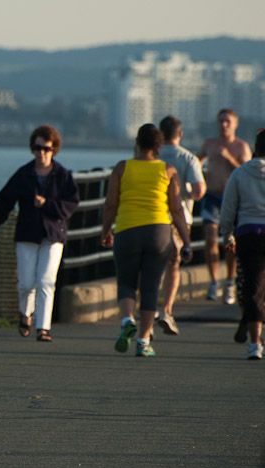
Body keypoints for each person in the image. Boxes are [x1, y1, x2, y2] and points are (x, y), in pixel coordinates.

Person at [101, 123, 192, 357]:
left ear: (137, 143)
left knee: (126, 282)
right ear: (158, 145)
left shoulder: (122, 168)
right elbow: (177, 210)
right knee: (151, 287)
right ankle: (143, 341)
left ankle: (127, 320)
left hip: (128, 230)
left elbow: (111, 204)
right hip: (159, 232)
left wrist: (105, 231)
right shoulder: (169, 170)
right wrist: (186, 241)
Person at [0, 125, 79, 342]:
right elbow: (5, 199)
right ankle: (25, 314)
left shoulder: (62, 175)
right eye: (38, 148)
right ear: (32, 149)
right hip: (27, 233)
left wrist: (47, 204)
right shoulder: (24, 174)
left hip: (53, 235)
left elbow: (71, 204)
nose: (42, 153)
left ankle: (43, 327)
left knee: (46, 280)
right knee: (26, 282)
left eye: (47, 149)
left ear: (54, 149)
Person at [156, 115, 206, 335]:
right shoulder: (188, 158)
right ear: (180, 133)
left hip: (153, 217)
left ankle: (147, 309)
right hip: (180, 218)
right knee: (173, 266)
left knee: (150, 267)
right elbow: (199, 191)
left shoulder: (151, 155)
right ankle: (166, 310)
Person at [219, 129, 265, 359]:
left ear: (256, 148)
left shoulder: (240, 173)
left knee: (252, 286)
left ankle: (254, 344)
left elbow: (228, 207)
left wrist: (227, 233)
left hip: (248, 233)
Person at [198, 109, 252, 304]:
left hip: (232, 199)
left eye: (228, 121)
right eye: (221, 121)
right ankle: (214, 282)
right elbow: (197, 162)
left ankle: (229, 282)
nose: (224, 125)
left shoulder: (241, 146)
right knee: (210, 237)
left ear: (235, 124)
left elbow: (246, 172)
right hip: (211, 197)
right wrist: (200, 177)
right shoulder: (210, 144)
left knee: (230, 243)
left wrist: (228, 157)